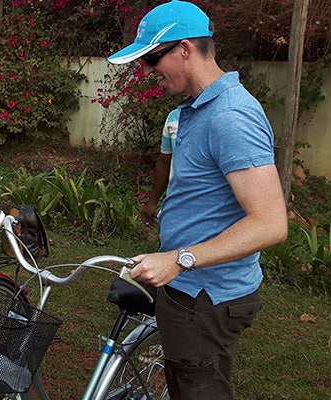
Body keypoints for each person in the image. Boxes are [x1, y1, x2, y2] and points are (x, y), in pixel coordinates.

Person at [108, 2, 288, 399]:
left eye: (152, 59)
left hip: (207, 298)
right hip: (189, 291)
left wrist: (179, 259)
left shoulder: (231, 116)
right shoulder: (196, 109)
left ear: (185, 49)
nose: (147, 72)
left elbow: (270, 224)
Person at [140, 108, 178, 226]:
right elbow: (164, 161)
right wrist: (152, 202)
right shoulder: (174, 118)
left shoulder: (223, 115)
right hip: (175, 209)